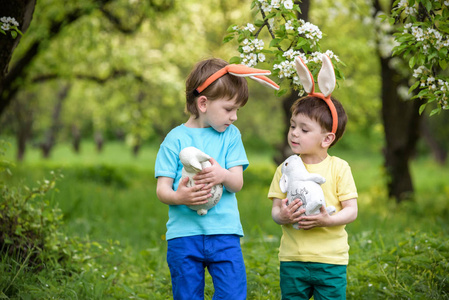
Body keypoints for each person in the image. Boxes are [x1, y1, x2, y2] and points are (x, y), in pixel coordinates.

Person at [155, 57, 278, 299]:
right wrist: (179, 197)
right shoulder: (174, 140)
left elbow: (237, 183)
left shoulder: (231, 136)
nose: (234, 117)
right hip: (184, 235)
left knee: (232, 293)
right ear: (203, 103)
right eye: (229, 109)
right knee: (187, 294)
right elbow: (162, 190)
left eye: (237, 110)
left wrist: (222, 174)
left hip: (224, 233)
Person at [268, 94, 358, 300]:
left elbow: (351, 210)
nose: (294, 134)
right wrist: (283, 217)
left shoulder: (339, 168)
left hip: (330, 261)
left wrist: (329, 220)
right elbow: (275, 210)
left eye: (304, 129)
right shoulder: (286, 168)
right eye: (293, 126)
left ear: (327, 139)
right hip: (293, 258)